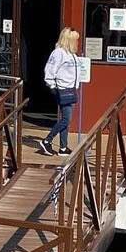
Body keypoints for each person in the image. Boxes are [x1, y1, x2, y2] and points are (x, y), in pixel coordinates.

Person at [39, 27, 81, 156]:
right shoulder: (58, 53)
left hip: (70, 89)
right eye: (75, 39)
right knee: (66, 119)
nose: (77, 42)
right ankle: (47, 140)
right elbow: (50, 69)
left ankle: (63, 147)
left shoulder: (72, 54)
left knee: (66, 119)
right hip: (62, 89)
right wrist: (52, 85)